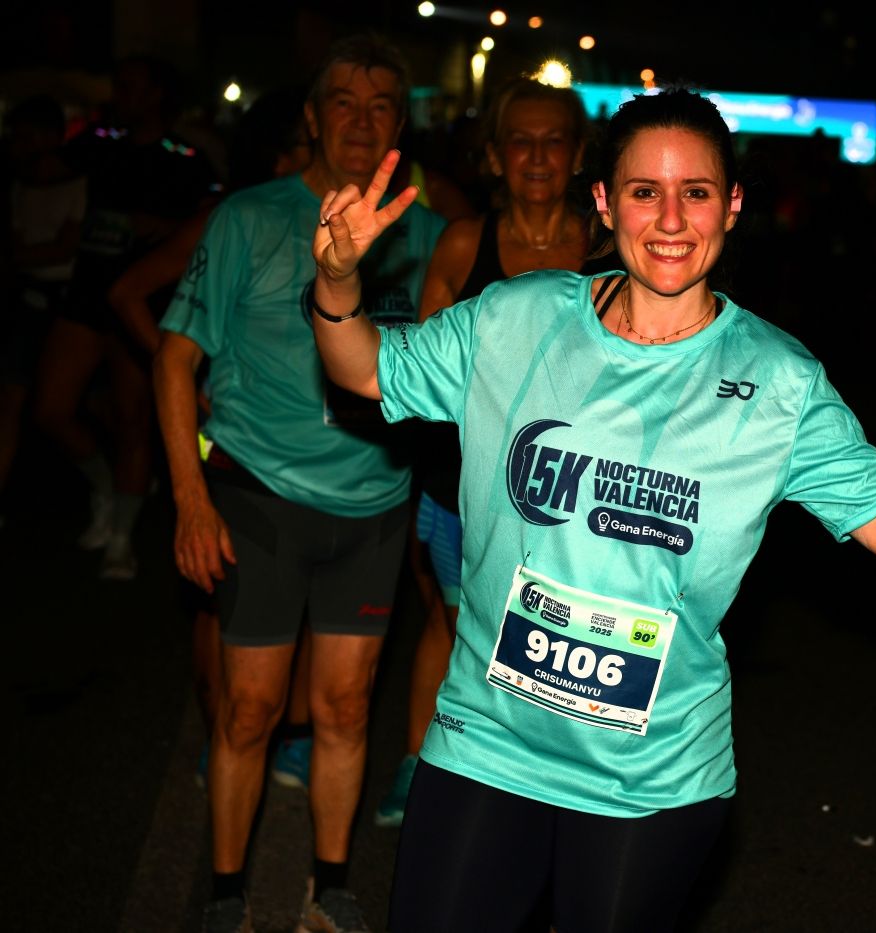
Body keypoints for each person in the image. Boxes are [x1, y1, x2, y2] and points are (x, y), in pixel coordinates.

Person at [309, 86, 876, 932]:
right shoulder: (516, 318)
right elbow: (365, 368)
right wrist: (336, 280)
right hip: (488, 741)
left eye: (696, 191)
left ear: (731, 205)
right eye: (642, 191)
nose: (670, 219)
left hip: (651, 774)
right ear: (603, 202)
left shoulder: (779, 380)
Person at [152, 35, 445, 933]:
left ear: (402, 124)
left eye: (382, 106)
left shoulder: (425, 235)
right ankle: (228, 895)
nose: (362, 122)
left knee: (348, 705)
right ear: (313, 119)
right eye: (344, 105)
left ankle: (332, 886)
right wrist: (190, 499)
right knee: (249, 710)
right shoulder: (248, 217)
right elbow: (173, 358)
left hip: (373, 507)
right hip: (258, 494)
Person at [373, 74, 614, 828]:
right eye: (521, 140)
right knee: (457, 624)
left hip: (573, 495)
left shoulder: (610, 250)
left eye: (553, 141)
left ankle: (526, 783)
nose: (537, 156)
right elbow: (424, 372)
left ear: (579, 157)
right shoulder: (464, 242)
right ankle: (424, 766)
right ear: (494, 155)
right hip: (464, 484)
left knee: (541, 640)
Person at [106, 85, 316, 791]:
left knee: (297, 593)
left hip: (304, 447)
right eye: (305, 147)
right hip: (223, 433)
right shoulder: (232, 219)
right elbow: (128, 292)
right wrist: (191, 381)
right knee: (221, 590)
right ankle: (223, 728)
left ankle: (286, 731)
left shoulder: (316, 220)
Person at [32, 55, 216, 580]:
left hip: (147, 300)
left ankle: (121, 538)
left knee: (136, 417)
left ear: (157, 93)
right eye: (119, 84)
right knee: (50, 408)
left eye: (131, 85)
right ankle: (104, 485)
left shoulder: (185, 155)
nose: (121, 93)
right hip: (89, 293)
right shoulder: (100, 142)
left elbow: (219, 210)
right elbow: (45, 168)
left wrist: (168, 223)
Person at [1, 95, 85, 524]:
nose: (18, 143)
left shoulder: (77, 185)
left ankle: (109, 480)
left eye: (27, 135)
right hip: (26, 300)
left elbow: (65, 246)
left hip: (66, 304)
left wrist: (21, 258)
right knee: (12, 401)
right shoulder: (19, 185)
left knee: (61, 406)